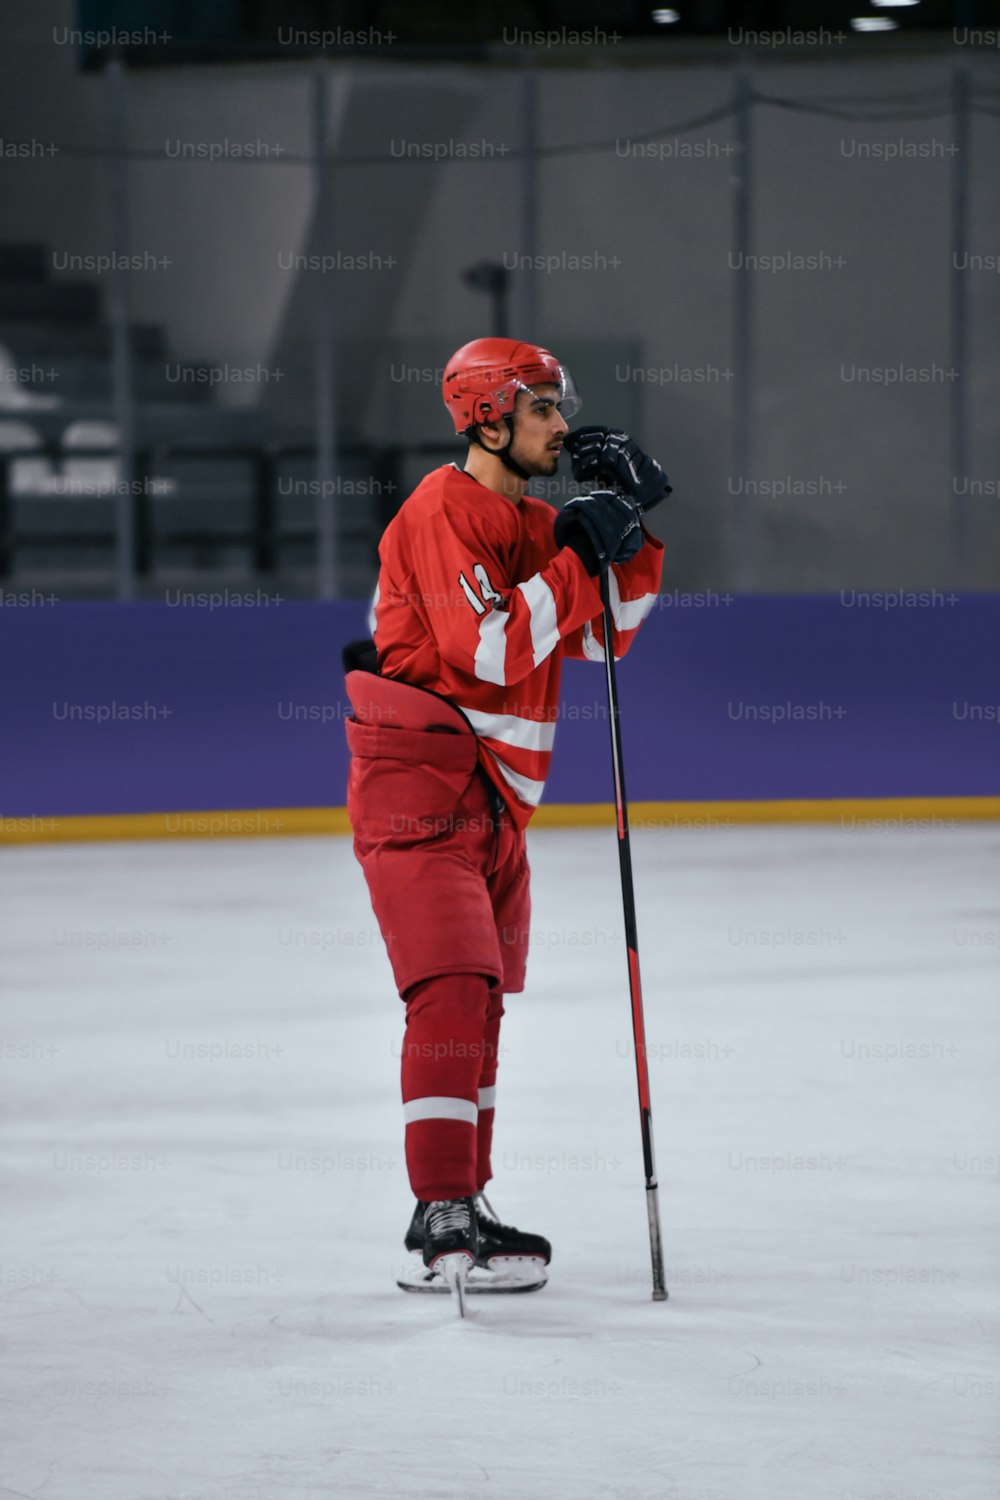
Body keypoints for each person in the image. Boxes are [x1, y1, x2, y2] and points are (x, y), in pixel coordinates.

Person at [343, 338, 669, 1300]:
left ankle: (469, 1201)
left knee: (481, 1000)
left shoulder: (530, 521)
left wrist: (635, 534)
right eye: (541, 410)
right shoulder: (442, 512)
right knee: (449, 986)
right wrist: (577, 551)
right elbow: (488, 647)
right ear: (487, 416)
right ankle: (439, 1209)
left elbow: (612, 634)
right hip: (421, 787)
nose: (561, 428)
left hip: (492, 799)